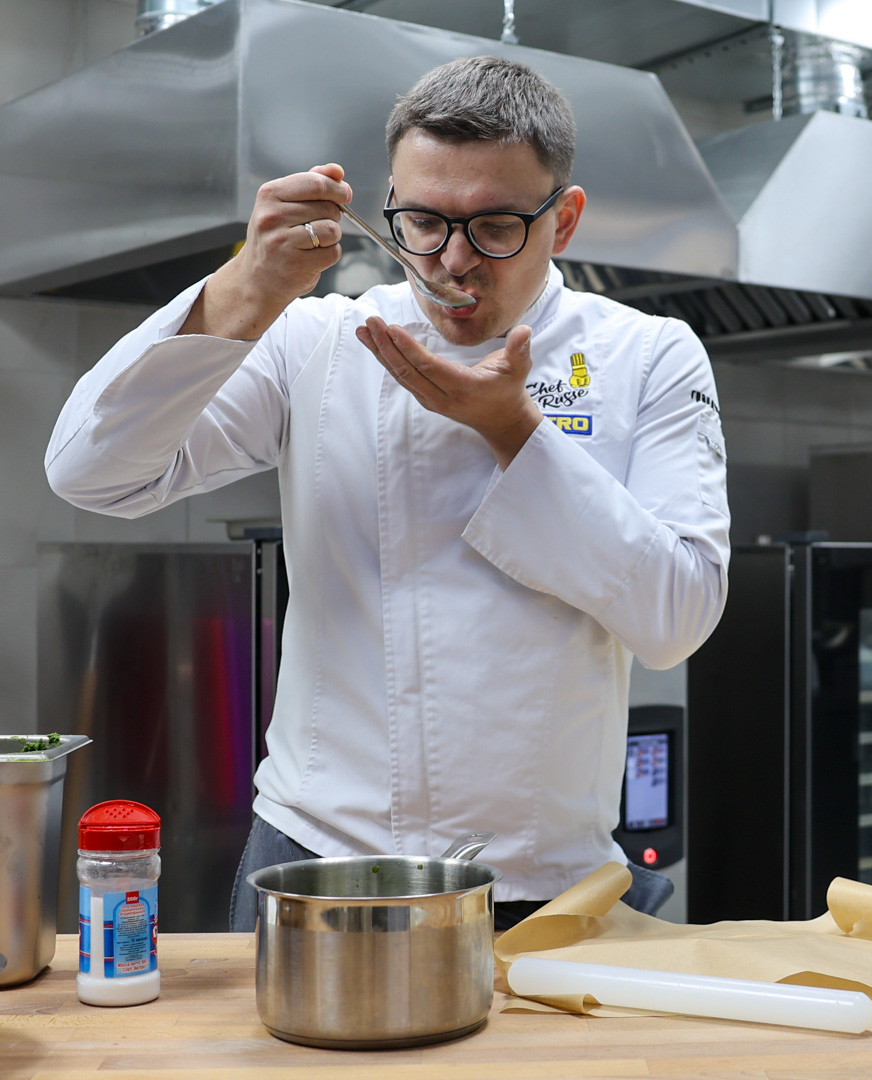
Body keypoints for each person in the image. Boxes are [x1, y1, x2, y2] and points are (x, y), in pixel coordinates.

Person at [46, 56, 730, 932]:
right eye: (423, 223)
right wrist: (244, 290)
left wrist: (516, 434)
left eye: (495, 227)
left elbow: (678, 617)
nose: (453, 262)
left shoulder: (649, 355)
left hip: (548, 884)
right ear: (389, 205)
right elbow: (91, 473)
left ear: (563, 220)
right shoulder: (318, 340)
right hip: (317, 865)